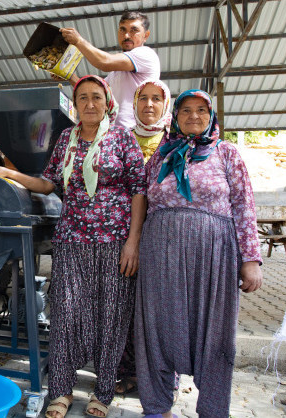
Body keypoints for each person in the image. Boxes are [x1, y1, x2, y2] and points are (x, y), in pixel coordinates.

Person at [0, 75, 146, 418]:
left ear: (107, 102)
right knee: (67, 312)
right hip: (72, 240)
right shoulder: (66, 140)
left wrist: (133, 242)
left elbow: (138, 190)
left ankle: (102, 392)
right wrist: (9, 173)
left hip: (114, 242)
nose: (89, 103)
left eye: (96, 97)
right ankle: (60, 389)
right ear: (75, 104)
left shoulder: (122, 138)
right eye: (82, 97)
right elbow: (47, 183)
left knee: (112, 315)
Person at [134, 90, 263, 418]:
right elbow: (142, 201)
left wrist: (250, 260)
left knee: (214, 331)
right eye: (186, 110)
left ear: (211, 116)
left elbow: (244, 205)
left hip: (213, 256)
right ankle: (157, 408)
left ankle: (213, 410)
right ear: (175, 116)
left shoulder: (226, 152)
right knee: (157, 328)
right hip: (159, 254)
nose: (193, 116)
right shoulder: (160, 155)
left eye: (201, 110)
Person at [114, 79, 172, 396]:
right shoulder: (120, 141)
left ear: (165, 105)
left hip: (164, 240)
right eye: (143, 99)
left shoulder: (176, 144)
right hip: (123, 237)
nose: (149, 105)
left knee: (159, 309)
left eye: (156, 99)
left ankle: (160, 376)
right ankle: (125, 372)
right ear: (134, 104)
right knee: (124, 306)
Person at [60, 11, 160, 131]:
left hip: (135, 135)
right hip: (116, 136)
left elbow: (104, 62)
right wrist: (68, 75)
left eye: (134, 30)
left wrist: (79, 41)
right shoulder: (116, 74)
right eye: (122, 30)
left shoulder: (145, 54)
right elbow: (95, 93)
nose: (127, 35)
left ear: (146, 35)